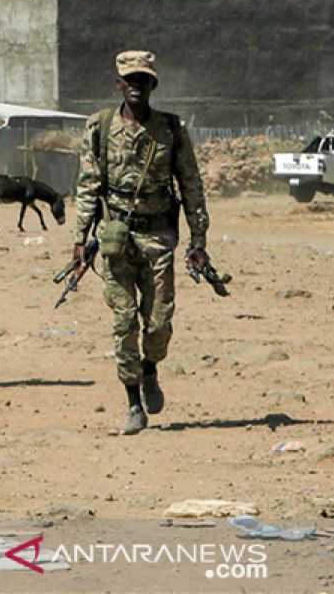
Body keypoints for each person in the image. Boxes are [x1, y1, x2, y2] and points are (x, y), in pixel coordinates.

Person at [71, 50, 210, 435]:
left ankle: (150, 369)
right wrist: (80, 239)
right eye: (129, 79)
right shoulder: (99, 127)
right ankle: (133, 402)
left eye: (142, 79)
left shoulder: (171, 130)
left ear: (152, 85)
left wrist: (199, 238)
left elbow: (192, 185)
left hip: (159, 238)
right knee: (124, 321)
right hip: (116, 238)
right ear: (119, 84)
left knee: (160, 323)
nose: (135, 85)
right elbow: (87, 187)